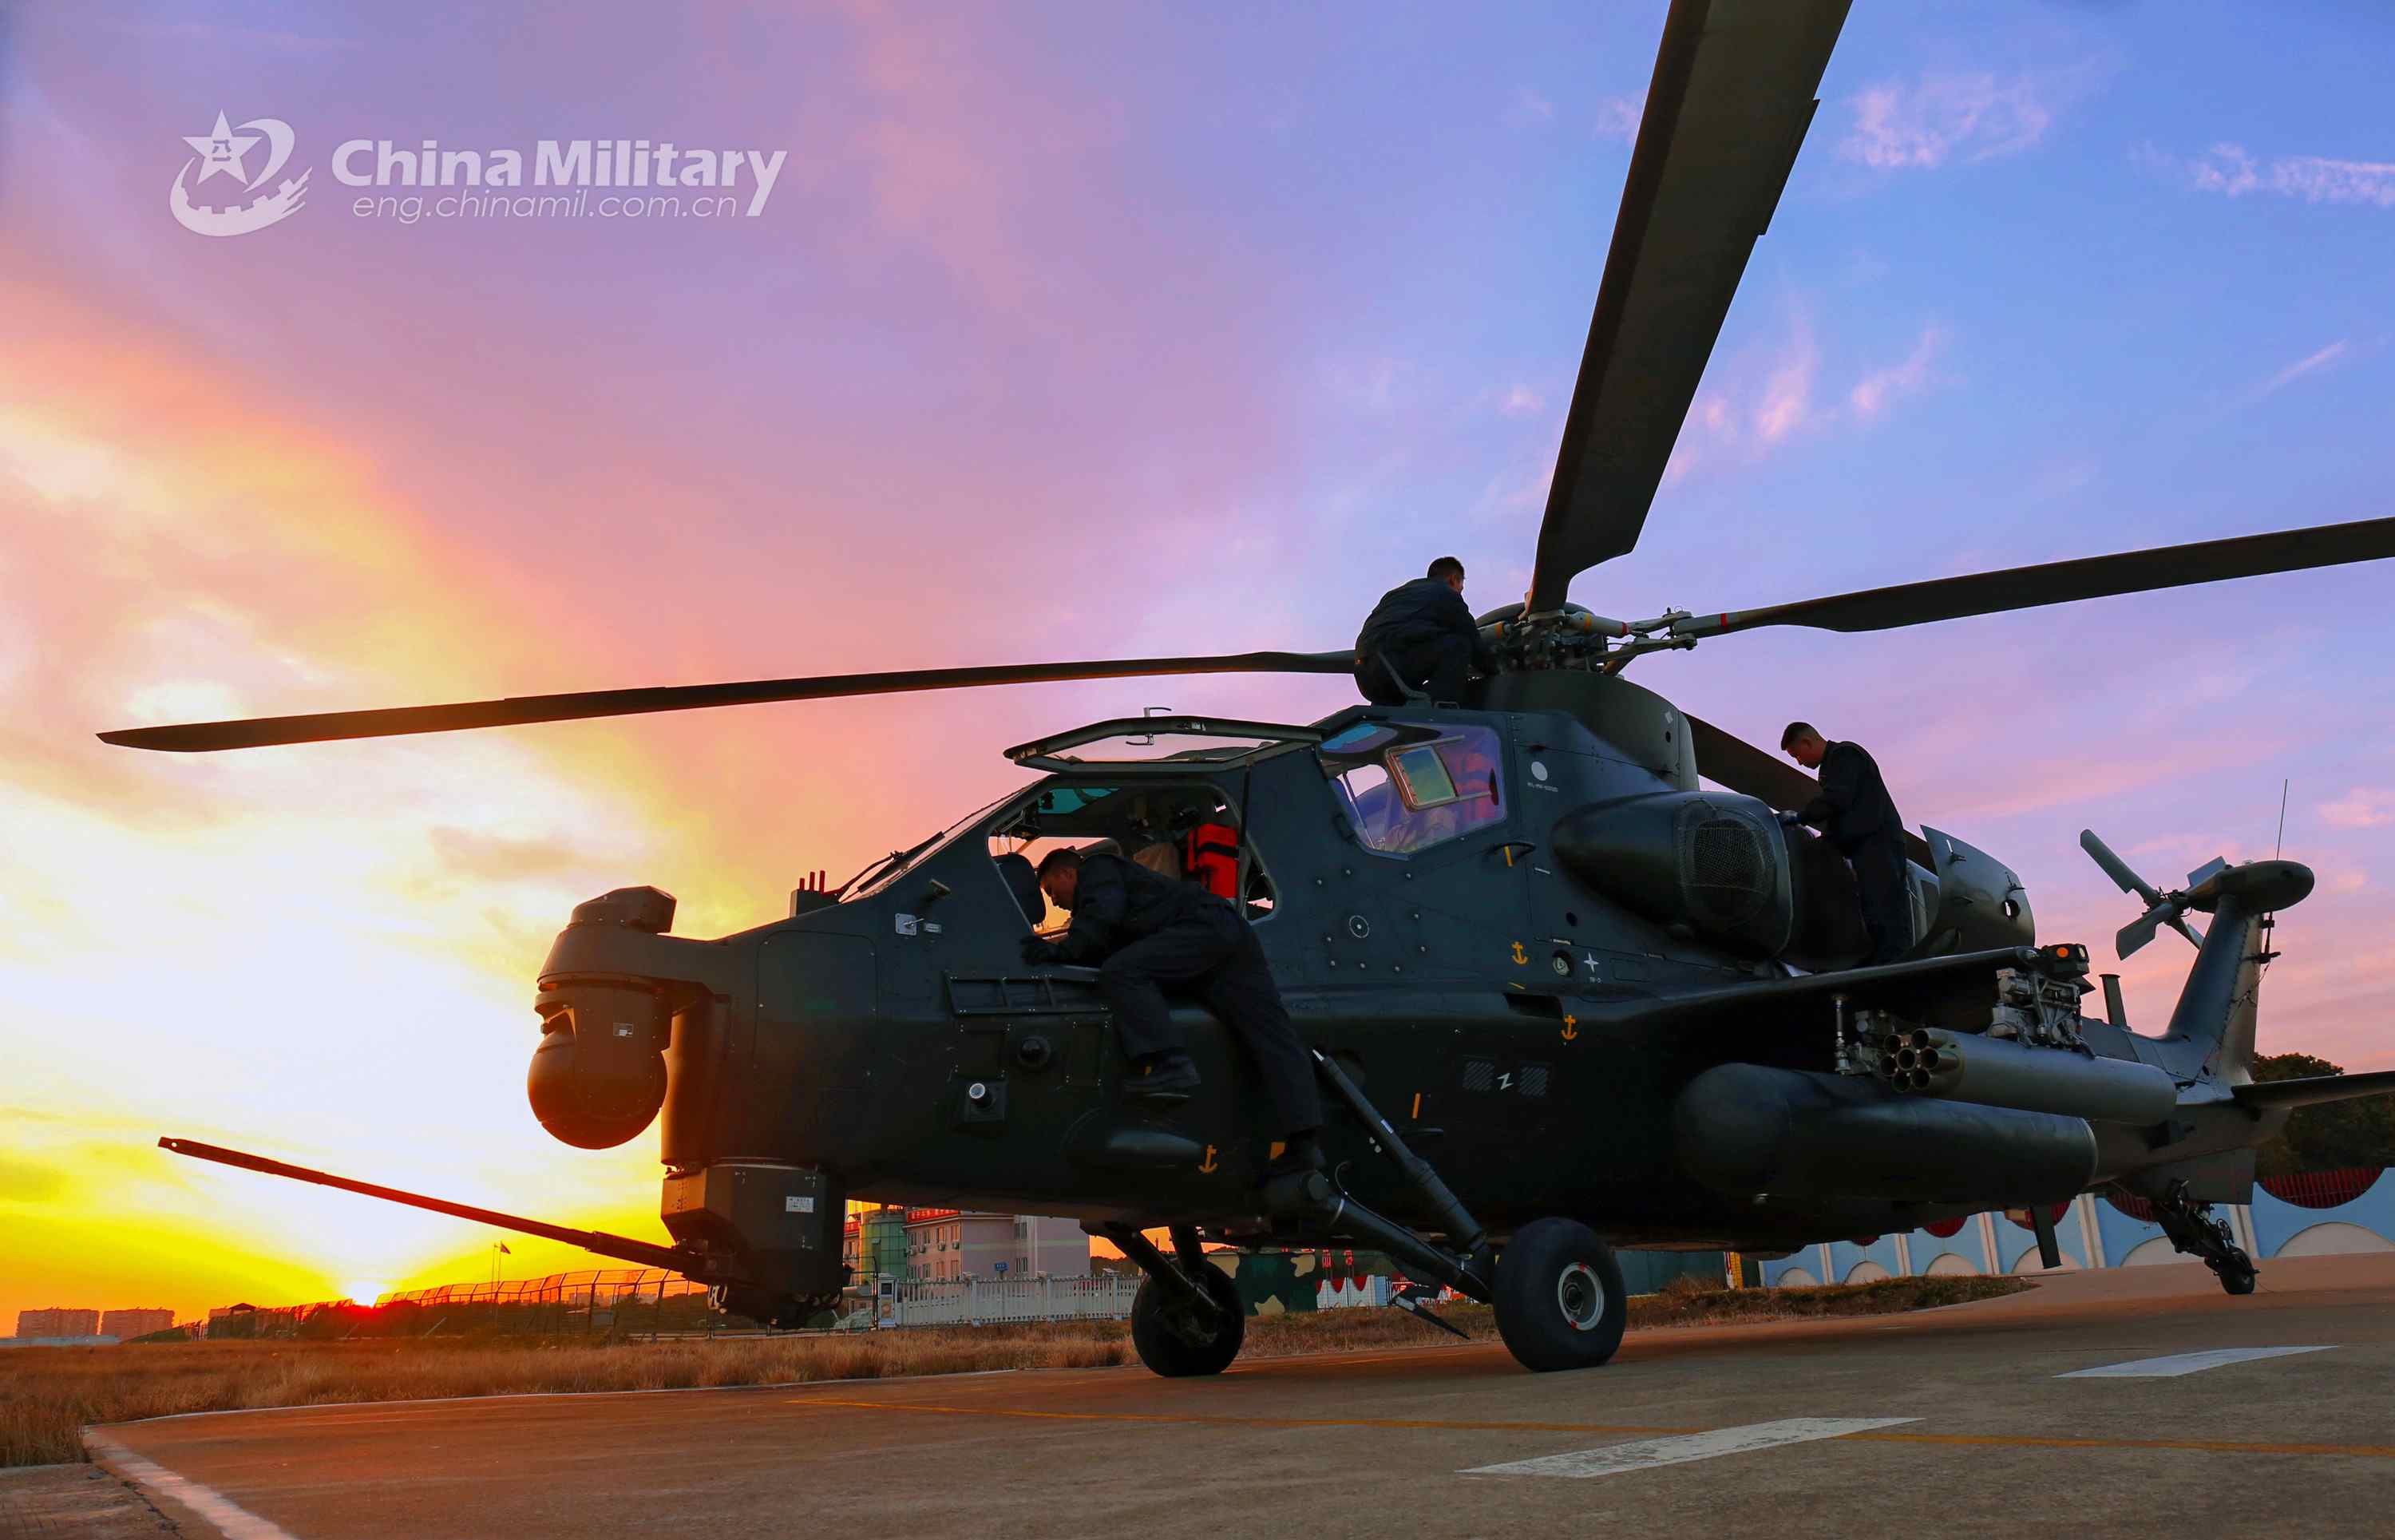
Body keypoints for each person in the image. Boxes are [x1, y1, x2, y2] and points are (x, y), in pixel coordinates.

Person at [1023, 845, 1324, 1174]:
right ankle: (1304, 1144)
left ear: (1070, 873)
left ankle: (1169, 1063)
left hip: (1200, 927)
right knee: (1271, 1038)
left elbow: (1100, 920)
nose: (1053, 901)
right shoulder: (1122, 897)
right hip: (1226, 936)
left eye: (1052, 890)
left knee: (1123, 972)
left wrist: (1061, 952)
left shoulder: (1097, 869)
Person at [1781, 722, 1912, 967]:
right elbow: (1844, 813)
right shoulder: (1833, 766)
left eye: (1797, 755)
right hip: (1866, 846)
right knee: (1873, 910)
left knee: (1885, 910)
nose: (1799, 762)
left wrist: (1801, 817)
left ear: (1807, 743)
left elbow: (1837, 799)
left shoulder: (1845, 755)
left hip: (1878, 844)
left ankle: (1894, 968)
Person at [1354, 556, 1493, 707]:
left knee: (1404, 695)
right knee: (1460, 644)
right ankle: (1438, 707)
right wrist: (1495, 670)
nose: (1460, 593)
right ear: (1453, 579)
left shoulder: (1396, 594)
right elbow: (1473, 640)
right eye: (1461, 587)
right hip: (1394, 664)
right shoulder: (1447, 594)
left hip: (1365, 674)